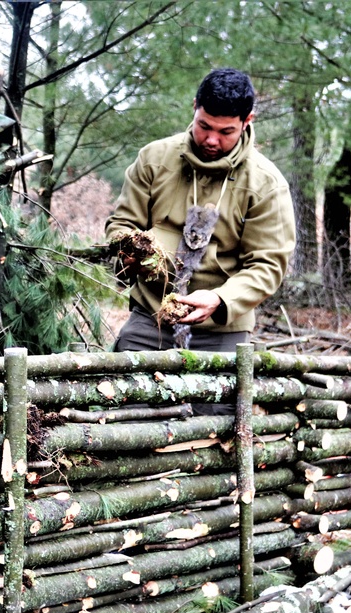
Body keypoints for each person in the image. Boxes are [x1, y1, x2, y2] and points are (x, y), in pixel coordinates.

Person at [104, 68, 296, 414]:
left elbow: (268, 265)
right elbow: (121, 223)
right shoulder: (154, 159)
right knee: (122, 414)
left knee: (216, 430)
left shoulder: (266, 184)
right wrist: (131, 249)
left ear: (247, 121)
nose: (211, 139)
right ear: (195, 107)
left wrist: (220, 299)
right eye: (204, 125)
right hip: (151, 318)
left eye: (226, 132)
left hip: (221, 329)